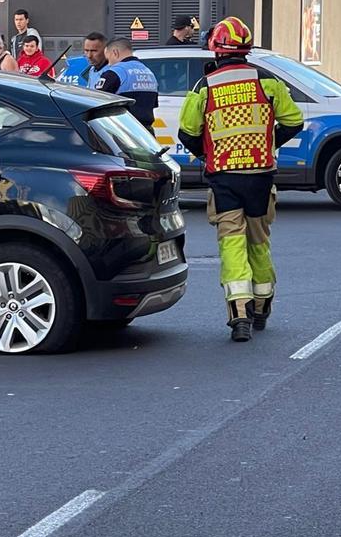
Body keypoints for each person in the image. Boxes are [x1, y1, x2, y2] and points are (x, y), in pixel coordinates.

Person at [177, 17, 305, 343]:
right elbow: (294, 122)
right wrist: (269, 144)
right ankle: (262, 305)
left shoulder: (205, 86)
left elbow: (187, 133)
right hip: (260, 175)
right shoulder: (267, 81)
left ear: (216, 49)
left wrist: (209, 153)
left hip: (224, 178)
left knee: (232, 243)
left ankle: (240, 315)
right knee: (259, 241)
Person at [95, 37, 159, 133]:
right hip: (146, 133)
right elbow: (152, 105)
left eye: (108, 59)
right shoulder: (149, 73)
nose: (108, 64)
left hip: (123, 132)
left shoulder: (114, 72)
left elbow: (97, 102)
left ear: (115, 53)